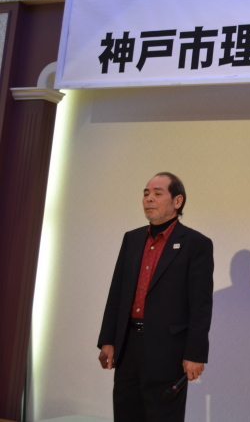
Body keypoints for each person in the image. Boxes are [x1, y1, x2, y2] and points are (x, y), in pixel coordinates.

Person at [97, 172, 214, 421]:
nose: (149, 198)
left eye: (157, 193)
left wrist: (195, 354)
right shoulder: (132, 239)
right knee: (126, 413)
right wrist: (108, 339)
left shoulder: (196, 244)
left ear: (177, 201)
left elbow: (201, 305)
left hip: (168, 351)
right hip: (128, 346)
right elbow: (116, 292)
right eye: (146, 193)